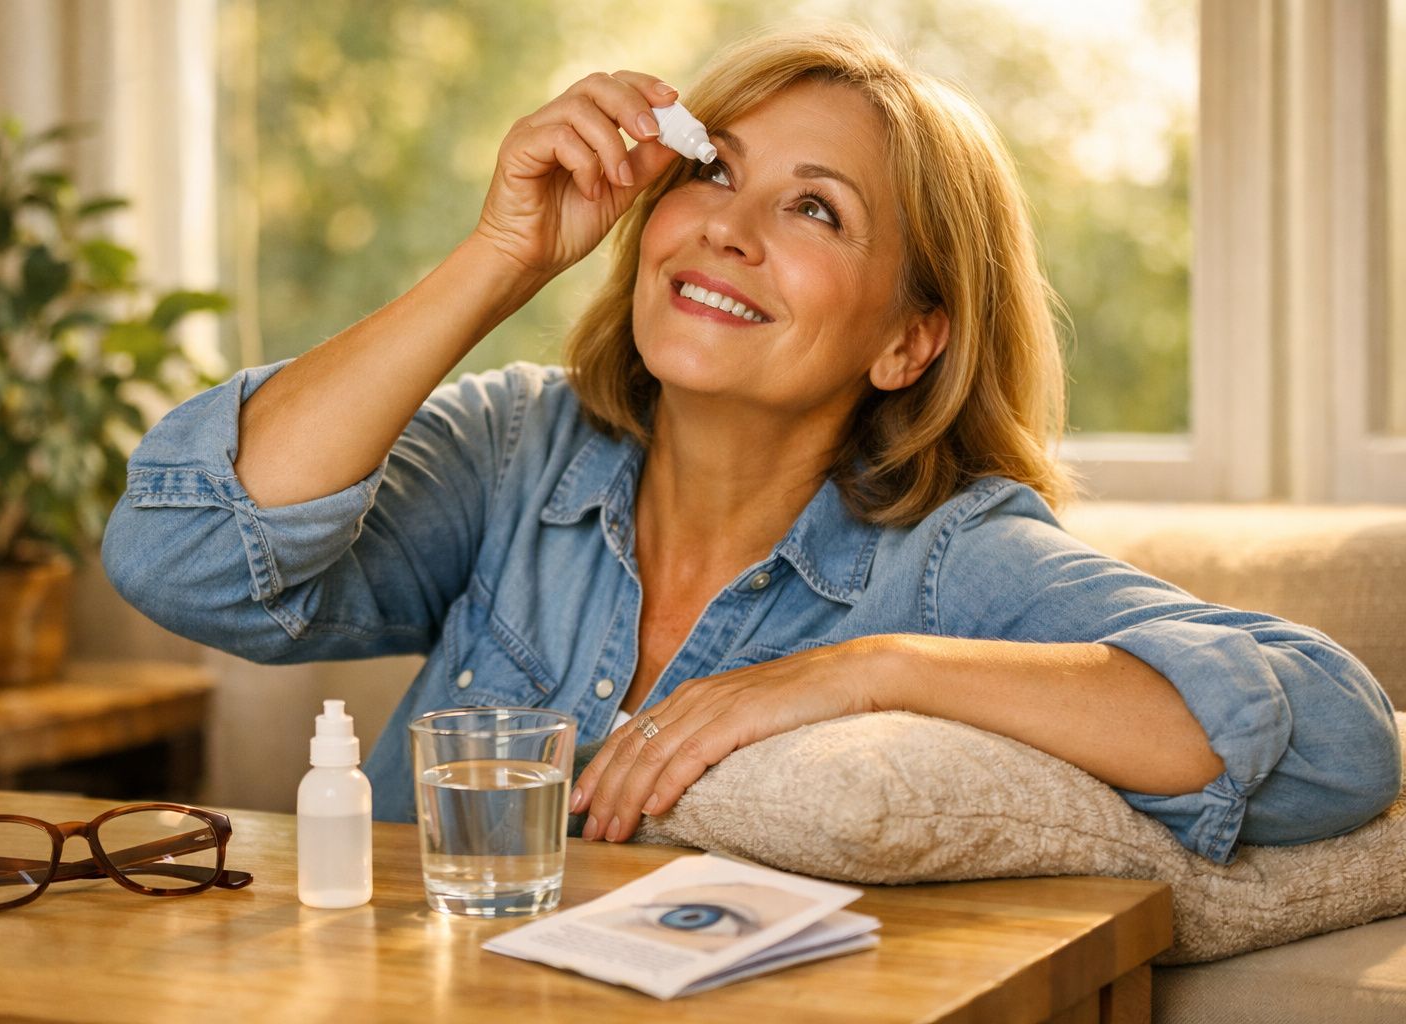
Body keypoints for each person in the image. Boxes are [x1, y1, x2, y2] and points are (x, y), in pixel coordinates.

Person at [102, 23, 1399, 865]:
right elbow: (181, 554)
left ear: (908, 342)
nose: (729, 226)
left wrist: (869, 672)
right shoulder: (516, 454)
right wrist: (499, 258)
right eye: (713, 171)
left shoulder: (946, 566)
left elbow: (1341, 740)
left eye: (816, 212)